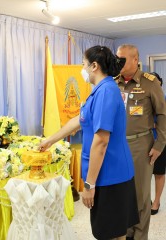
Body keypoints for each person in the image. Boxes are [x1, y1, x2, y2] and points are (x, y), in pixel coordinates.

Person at [39, 45, 139, 240]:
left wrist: (89, 185)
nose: (82, 69)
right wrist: (50, 140)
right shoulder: (99, 91)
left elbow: (101, 142)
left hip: (110, 176)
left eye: (83, 64)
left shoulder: (106, 92)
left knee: (110, 234)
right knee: (112, 232)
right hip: (106, 174)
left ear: (94, 66)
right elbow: (79, 119)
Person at [116, 44, 166, 240]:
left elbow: (162, 115)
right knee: (122, 192)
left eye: (123, 59)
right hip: (117, 145)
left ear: (136, 60)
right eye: (117, 58)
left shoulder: (150, 83)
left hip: (140, 146)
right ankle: (127, 232)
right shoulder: (113, 82)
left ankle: (139, 236)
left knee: (140, 196)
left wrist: (159, 144)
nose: (118, 62)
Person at [149, 72, 166, 215]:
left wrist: (153, 124)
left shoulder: (164, 99)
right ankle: (145, 199)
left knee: (159, 172)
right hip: (143, 141)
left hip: (160, 142)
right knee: (143, 173)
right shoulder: (141, 99)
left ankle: (156, 201)